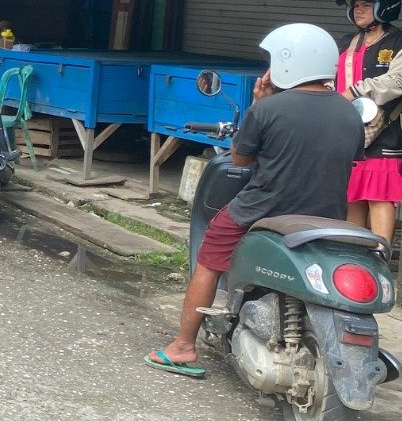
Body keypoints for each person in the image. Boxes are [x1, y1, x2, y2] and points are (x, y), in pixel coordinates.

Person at [145, 23, 364, 378]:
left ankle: (183, 347)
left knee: (210, 256)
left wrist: (258, 105)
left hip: (264, 208)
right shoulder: (348, 111)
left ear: (288, 62)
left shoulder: (269, 109)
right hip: (326, 215)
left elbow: (241, 159)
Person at [334, 0, 402, 243]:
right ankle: (351, 253)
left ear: (385, 7)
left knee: (379, 196)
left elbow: (399, 80)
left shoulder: (400, 42)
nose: (358, 10)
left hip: (384, 131)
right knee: (352, 195)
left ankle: (380, 256)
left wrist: (356, 91)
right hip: (348, 128)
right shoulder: (347, 42)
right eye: (355, 5)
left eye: (366, 4)